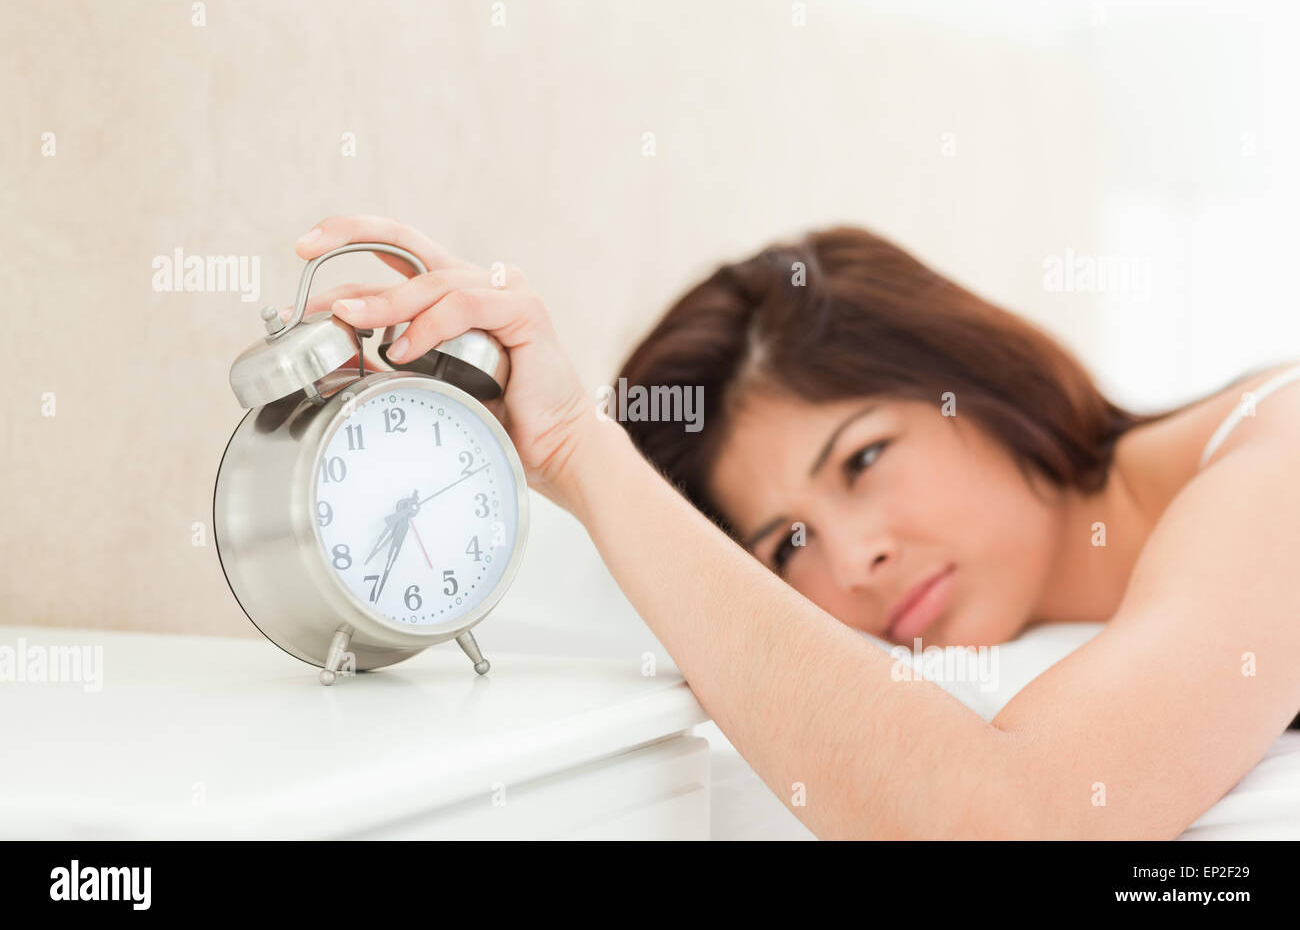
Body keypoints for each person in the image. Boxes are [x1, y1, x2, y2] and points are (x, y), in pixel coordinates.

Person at [290, 214, 1300, 839]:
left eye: (863, 457)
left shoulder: (1276, 461)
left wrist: (575, 447)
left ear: (976, 380)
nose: (856, 558)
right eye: (786, 546)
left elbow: (1015, 822)